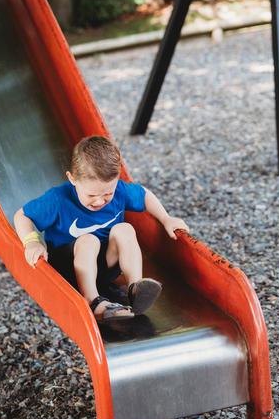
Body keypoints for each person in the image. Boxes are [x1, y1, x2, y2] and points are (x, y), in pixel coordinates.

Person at [13, 135, 189, 322]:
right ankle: (93, 302)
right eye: (91, 194)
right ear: (72, 179)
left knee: (125, 229)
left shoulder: (120, 190)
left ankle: (135, 289)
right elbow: (22, 215)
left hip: (103, 267)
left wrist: (166, 218)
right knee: (89, 239)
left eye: (108, 193)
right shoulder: (58, 199)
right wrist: (31, 242)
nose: (99, 201)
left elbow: (144, 194)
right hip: (69, 270)